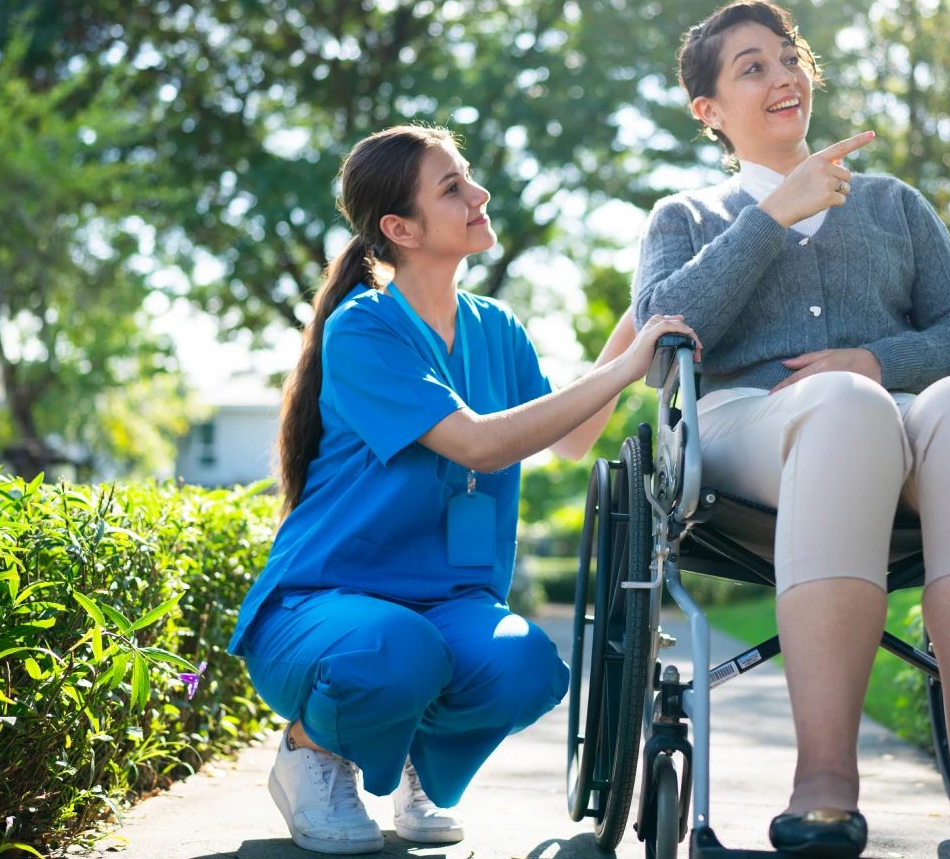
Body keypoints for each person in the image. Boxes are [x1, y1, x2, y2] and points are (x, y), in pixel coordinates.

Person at [632, 0, 950, 859]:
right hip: (744, 430)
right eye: (752, 67)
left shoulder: (892, 204)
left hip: (895, 410)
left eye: (788, 58)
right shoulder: (685, 217)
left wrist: (875, 362)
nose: (782, 77)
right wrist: (771, 217)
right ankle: (825, 781)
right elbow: (664, 337)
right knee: (844, 414)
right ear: (709, 111)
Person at [228, 125, 694, 855]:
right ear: (399, 228)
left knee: (527, 667)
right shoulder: (364, 328)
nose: (478, 195)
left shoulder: (495, 328)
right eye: (452, 188)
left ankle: (416, 761)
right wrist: (625, 368)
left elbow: (568, 438)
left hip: (448, 607)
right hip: (322, 607)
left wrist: (643, 316)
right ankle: (310, 752)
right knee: (394, 650)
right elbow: (476, 441)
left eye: (467, 177)